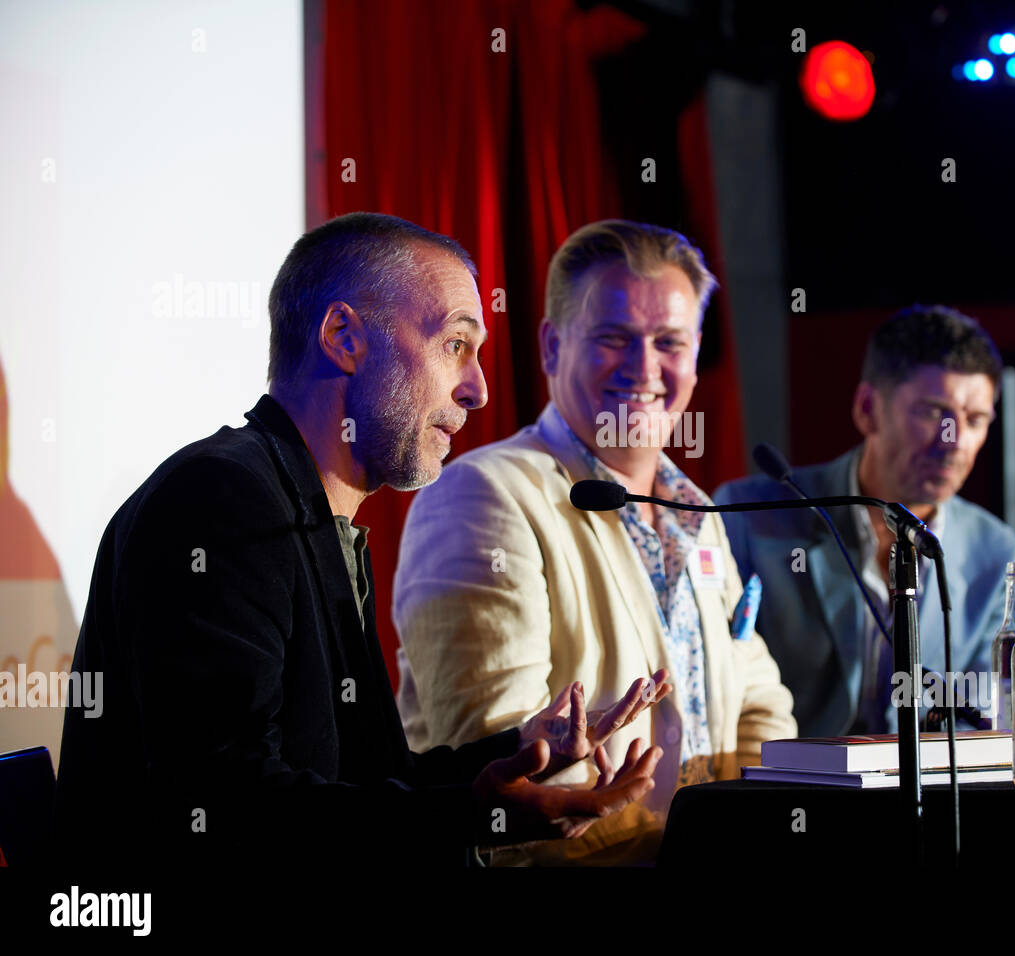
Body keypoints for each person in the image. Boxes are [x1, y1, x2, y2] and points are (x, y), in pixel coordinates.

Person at [55, 212, 664, 871]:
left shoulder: (312, 516)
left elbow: (364, 779)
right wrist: (476, 815)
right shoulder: (220, 501)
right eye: (456, 345)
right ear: (344, 336)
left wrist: (523, 751)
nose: (479, 388)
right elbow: (226, 806)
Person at [393, 219, 796, 864]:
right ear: (552, 348)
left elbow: (759, 707)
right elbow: (504, 771)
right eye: (613, 338)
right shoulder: (481, 495)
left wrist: (744, 838)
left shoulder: (698, 509)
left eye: (669, 341)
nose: (644, 368)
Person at [715, 305, 1015, 736]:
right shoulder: (751, 517)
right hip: (787, 789)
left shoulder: (1001, 556)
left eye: (974, 420)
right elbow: (720, 689)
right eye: (932, 412)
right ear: (867, 409)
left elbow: (981, 721)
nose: (953, 442)